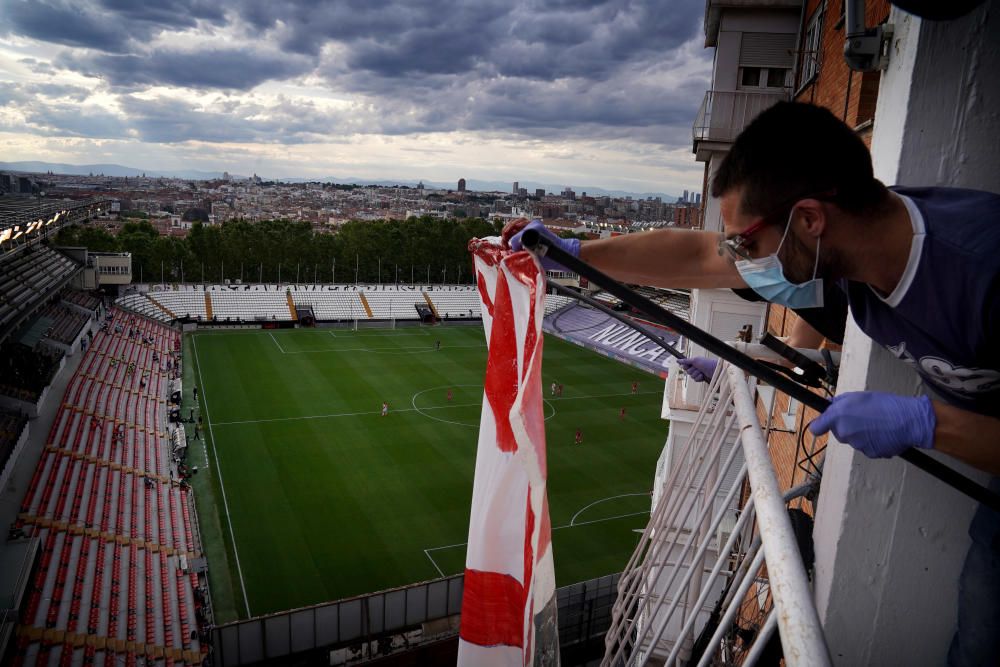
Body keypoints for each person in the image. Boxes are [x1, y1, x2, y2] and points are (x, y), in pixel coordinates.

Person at [508, 101, 1000, 664]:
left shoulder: (984, 267)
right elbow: (698, 254)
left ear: (810, 219)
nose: (739, 258)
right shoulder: (846, 256)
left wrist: (929, 422)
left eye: (746, 242)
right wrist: (575, 256)